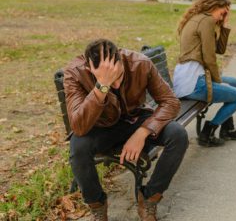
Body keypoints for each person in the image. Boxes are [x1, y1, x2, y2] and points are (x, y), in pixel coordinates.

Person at [63, 39, 189, 221]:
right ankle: (97, 205)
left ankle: (149, 198)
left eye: (118, 76)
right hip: (100, 126)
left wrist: (142, 132)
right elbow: (79, 126)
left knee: (177, 135)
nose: (114, 85)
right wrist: (101, 86)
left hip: (136, 120)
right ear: (90, 69)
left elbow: (170, 102)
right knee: (78, 148)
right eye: (108, 81)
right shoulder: (75, 72)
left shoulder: (140, 63)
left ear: (121, 60)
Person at [174, 0, 236, 147]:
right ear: (214, 5)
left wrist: (224, 24)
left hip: (189, 78)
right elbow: (209, 58)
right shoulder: (206, 21)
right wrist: (218, 81)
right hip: (193, 83)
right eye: (223, 12)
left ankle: (227, 128)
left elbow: (219, 50)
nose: (223, 16)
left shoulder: (199, 18)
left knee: (234, 82)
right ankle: (209, 131)